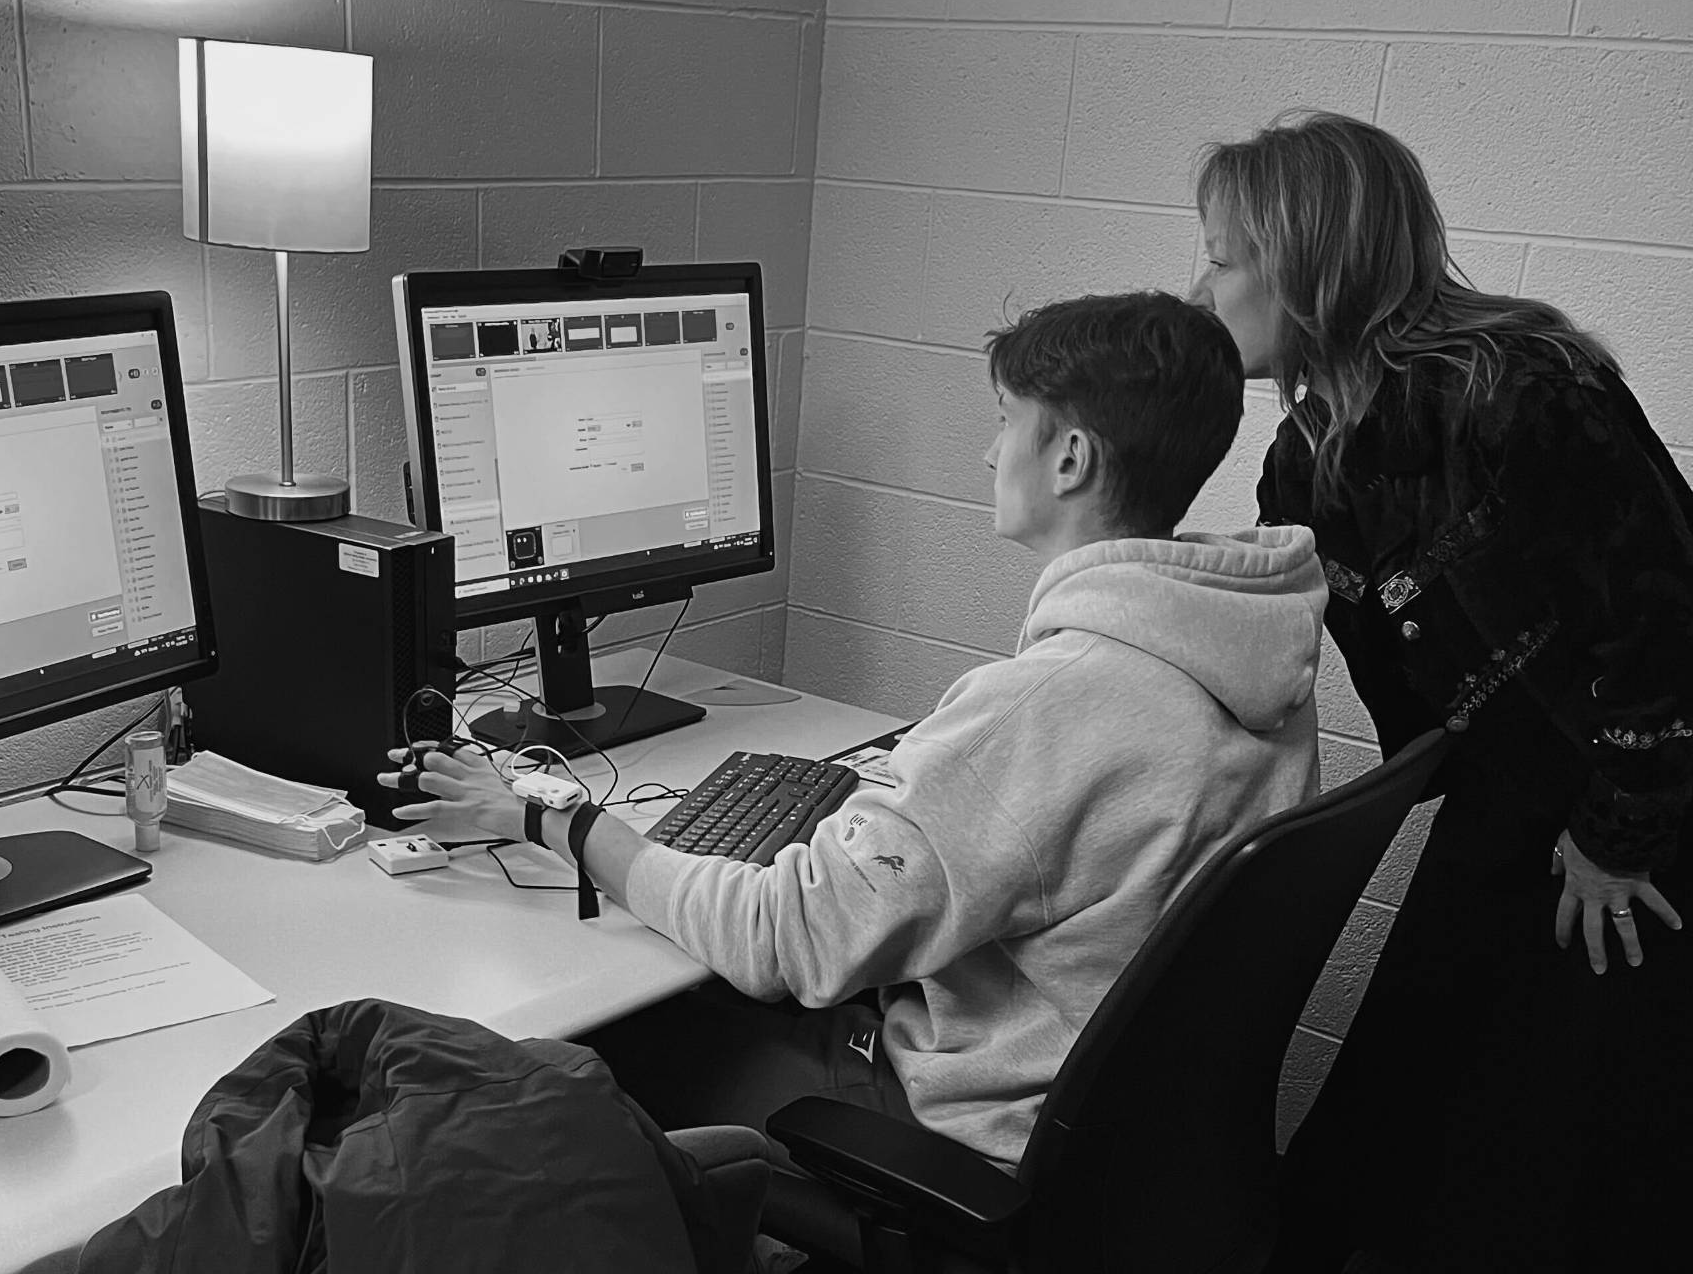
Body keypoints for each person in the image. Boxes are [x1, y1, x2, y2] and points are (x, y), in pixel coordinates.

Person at [379, 290, 1329, 1174]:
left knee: (584, 1050)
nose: (990, 456)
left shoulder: (1050, 705)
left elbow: (778, 937)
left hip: (969, 1134)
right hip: (1129, 1152)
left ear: (1071, 460)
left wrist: (559, 822)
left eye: (1005, 424)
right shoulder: (1246, 650)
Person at [1189, 111, 1692, 1272]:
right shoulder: (1307, 455)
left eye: (1222, 257)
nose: (1202, 287)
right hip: (1507, 810)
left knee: (1557, 1149)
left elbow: (1667, 622)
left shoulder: (1526, 390)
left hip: (1637, 812)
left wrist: (1616, 840)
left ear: (1310, 264)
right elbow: (1265, 639)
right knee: (1398, 1132)